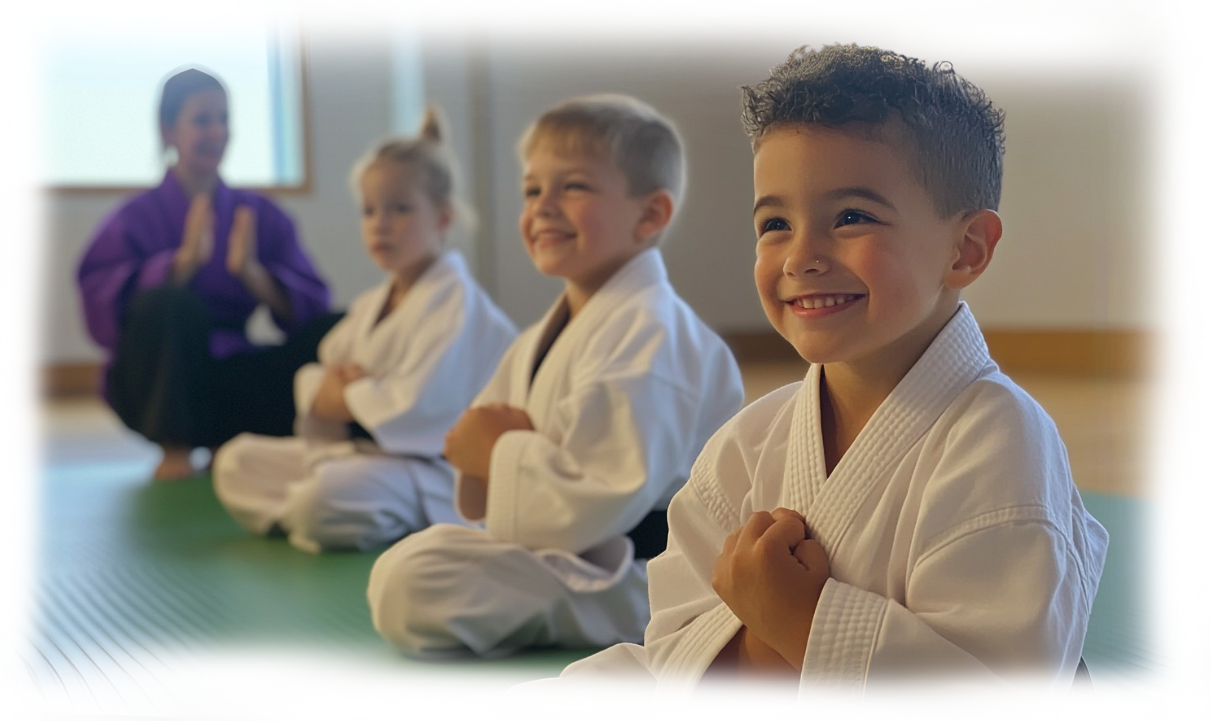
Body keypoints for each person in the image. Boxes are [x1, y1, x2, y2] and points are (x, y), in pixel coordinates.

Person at [545, 44, 1109, 692]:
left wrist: (799, 618)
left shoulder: (998, 440)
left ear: (967, 248)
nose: (801, 255)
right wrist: (766, 635)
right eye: (776, 223)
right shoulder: (748, 443)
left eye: (851, 217)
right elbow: (673, 641)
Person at [366, 95, 745, 658]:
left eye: (573, 187)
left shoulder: (652, 336)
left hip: (642, 574)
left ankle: (622, 618)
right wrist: (491, 451)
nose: (542, 207)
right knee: (404, 569)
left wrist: (499, 452)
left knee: (415, 580)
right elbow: (473, 439)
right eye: (531, 190)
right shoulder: (549, 331)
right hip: (567, 551)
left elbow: (601, 496)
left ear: (650, 215)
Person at [211, 108, 517, 553]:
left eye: (400, 208)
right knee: (235, 462)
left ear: (444, 218)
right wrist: (337, 392)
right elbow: (323, 371)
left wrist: (345, 397)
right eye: (370, 210)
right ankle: (323, 509)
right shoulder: (374, 303)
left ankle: (328, 509)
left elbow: (416, 409)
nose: (381, 223)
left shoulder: (457, 303)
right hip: (364, 458)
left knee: (325, 498)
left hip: (429, 470)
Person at [76, 66, 333, 479]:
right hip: (159, 388)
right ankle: (175, 447)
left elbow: (313, 306)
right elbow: (101, 311)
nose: (216, 132)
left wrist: (252, 275)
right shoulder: (134, 218)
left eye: (224, 119)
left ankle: (229, 439)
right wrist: (179, 266)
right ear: (168, 131)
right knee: (173, 303)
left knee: (335, 329)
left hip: (233, 378)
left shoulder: (258, 214)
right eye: (202, 120)